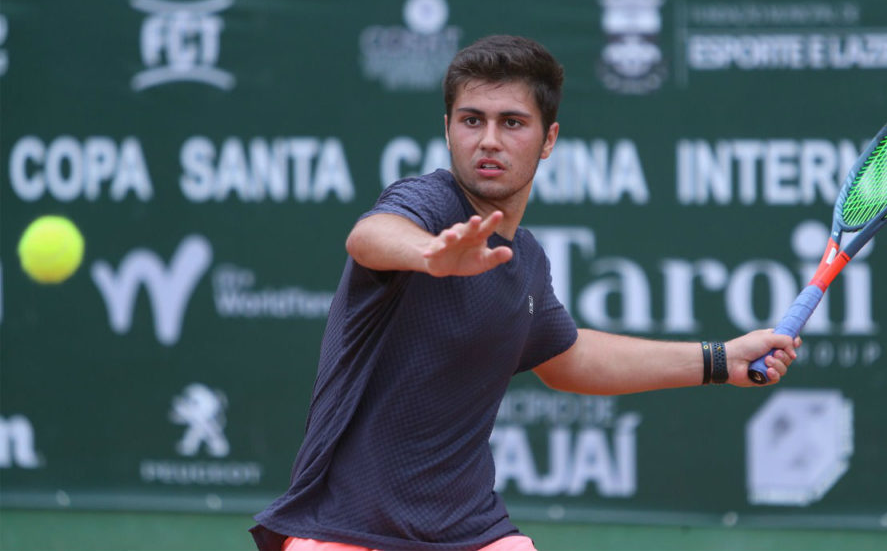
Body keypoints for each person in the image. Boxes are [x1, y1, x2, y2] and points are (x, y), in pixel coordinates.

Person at [251, 35, 800, 551]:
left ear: (548, 139)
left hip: (470, 531)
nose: (488, 139)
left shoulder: (527, 260)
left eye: (512, 122)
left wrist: (718, 358)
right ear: (448, 130)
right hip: (347, 529)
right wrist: (431, 255)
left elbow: (569, 359)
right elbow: (369, 237)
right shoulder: (430, 203)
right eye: (472, 120)